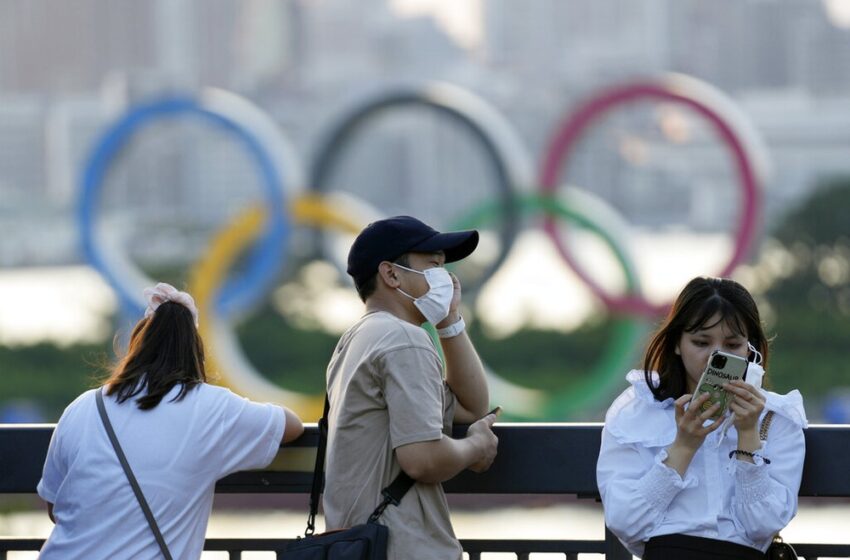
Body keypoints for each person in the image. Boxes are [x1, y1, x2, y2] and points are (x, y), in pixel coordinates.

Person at [37, 282, 304, 559]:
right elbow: (291, 426)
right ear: (195, 351)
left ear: (137, 344)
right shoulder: (212, 407)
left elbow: (55, 507)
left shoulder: (83, 406)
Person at [323, 215, 499, 560]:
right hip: (402, 545)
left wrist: (448, 321)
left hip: (358, 544)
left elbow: (470, 406)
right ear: (391, 274)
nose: (446, 279)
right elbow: (422, 459)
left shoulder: (359, 339)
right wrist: (477, 447)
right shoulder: (405, 341)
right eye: (433, 265)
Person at [597, 276, 807, 559]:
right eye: (701, 342)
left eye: (732, 345)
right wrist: (683, 447)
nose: (714, 356)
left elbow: (762, 526)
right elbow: (626, 523)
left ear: (750, 349)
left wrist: (747, 435)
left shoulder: (775, 417)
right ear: (676, 344)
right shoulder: (638, 412)